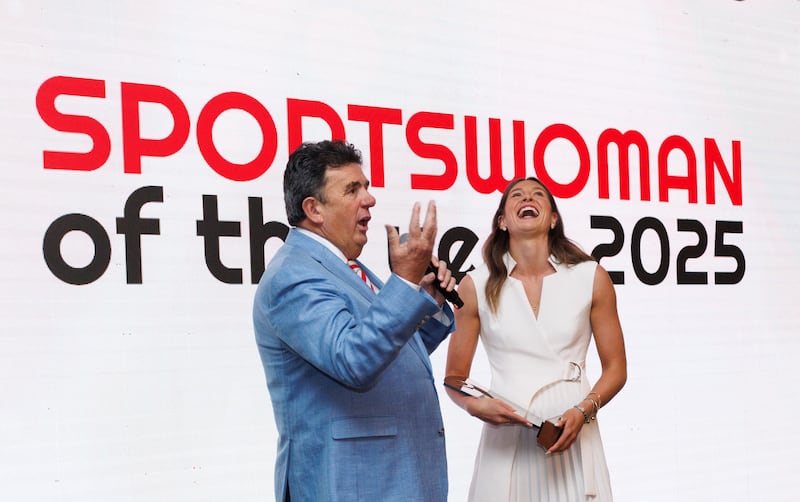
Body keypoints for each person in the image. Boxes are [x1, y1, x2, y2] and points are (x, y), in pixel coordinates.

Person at [253, 139, 457, 502]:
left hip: (396, 478)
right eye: (352, 189)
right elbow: (354, 360)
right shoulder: (293, 276)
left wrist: (426, 300)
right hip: (353, 485)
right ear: (314, 209)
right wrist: (405, 282)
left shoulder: (348, 268)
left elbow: (390, 355)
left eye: (365, 186)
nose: (370, 199)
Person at [445, 177, 627, 501]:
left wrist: (583, 411)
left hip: (575, 438)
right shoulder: (474, 285)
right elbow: (454, 378)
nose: (527, 197)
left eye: (538, 194)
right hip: (505, 446)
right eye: (516, 195)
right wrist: (476, 407)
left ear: (553, 217)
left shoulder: (591, 277)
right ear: (502, 220)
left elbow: (616, 369)